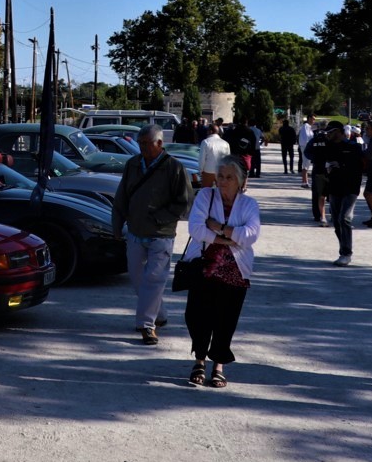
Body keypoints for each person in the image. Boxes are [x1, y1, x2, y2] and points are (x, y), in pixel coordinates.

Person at [111, 123, 194, 345]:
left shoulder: (174, 168)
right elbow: (121, 198)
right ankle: (160, 314)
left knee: (154, 280)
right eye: (140, 144)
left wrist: (161, 217)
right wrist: (117, 225)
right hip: (136, 232)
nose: (144, 148)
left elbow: (185, 202)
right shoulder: (133, 164)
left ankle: (147, 325)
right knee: (138, 279)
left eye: (147, 144)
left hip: (161, 234)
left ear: (160, 143)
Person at [182, 157, 261, 388]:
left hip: (236, 271)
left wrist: (219, 227)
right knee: (196, 316)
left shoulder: (249, 204)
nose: (223, 182)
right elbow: (195, 228)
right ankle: (199, 359)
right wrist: (227, 239)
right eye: (221, 177)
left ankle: (218, 364)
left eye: (229, 177)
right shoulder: (206, 196)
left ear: (239, 181)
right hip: (204, 267)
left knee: (225, 319)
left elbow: (251, 236)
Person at [305, 120, 365, 266]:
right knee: (337, 221)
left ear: (338, 132)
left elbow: (359, 167)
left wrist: (341, 165)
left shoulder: (354, 147)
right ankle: (343, 248)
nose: (328, 135)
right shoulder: (327, 146)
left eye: (330, 132)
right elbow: (311, 153)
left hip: (350, 188)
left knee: (345, 218)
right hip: (334, 187)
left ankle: (346, 253)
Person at [197, 119, 230, 188]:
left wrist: (200, 171)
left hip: (208, 171)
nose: (207, 132)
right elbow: (228, 160)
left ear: (211, 131)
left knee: (206, 193)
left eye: (208, 130)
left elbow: (202, 158)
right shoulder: (226, 143)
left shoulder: (205, 142)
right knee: (220, 192)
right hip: (221, 171)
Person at [298, 113, 316, 188]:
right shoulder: (306, 126)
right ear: (308, 118)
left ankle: (305, 181)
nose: (313, 120)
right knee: (305, 164)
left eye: (314, 119)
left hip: (307, 147)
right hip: (306, 147)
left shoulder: (309, 127)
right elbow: (306, 138)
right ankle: (304, 182)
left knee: (307, 165)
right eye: (313, 118)